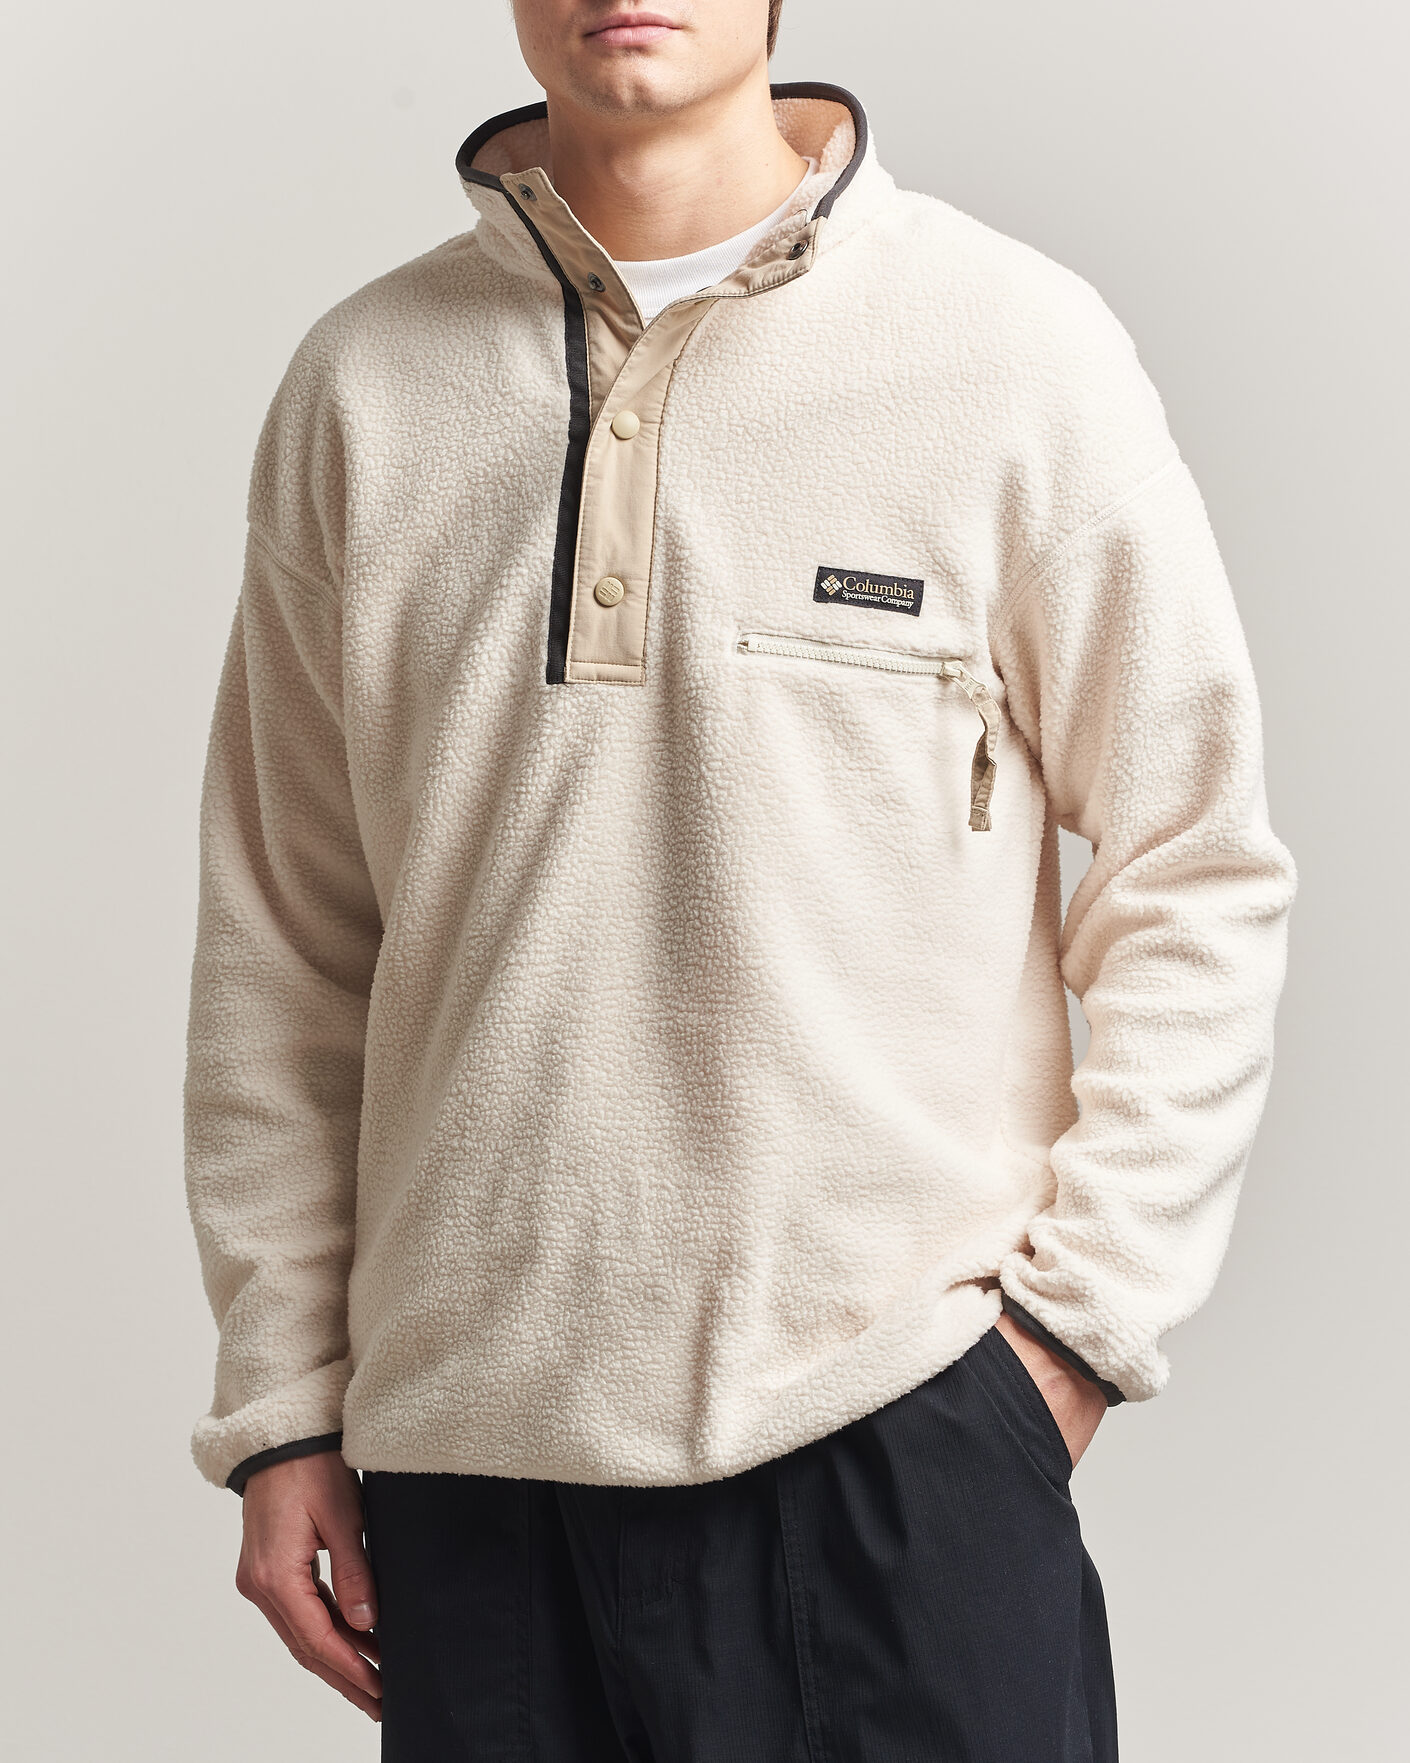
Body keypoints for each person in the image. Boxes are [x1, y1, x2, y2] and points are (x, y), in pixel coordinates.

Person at [182, 2, 1297, 1756]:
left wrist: (1069, 1336)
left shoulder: (1009, 350)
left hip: (889, 1436)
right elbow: (284, 941)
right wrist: (281, 1407)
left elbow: (1195, 863)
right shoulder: (363, 385)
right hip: (470, 1470)